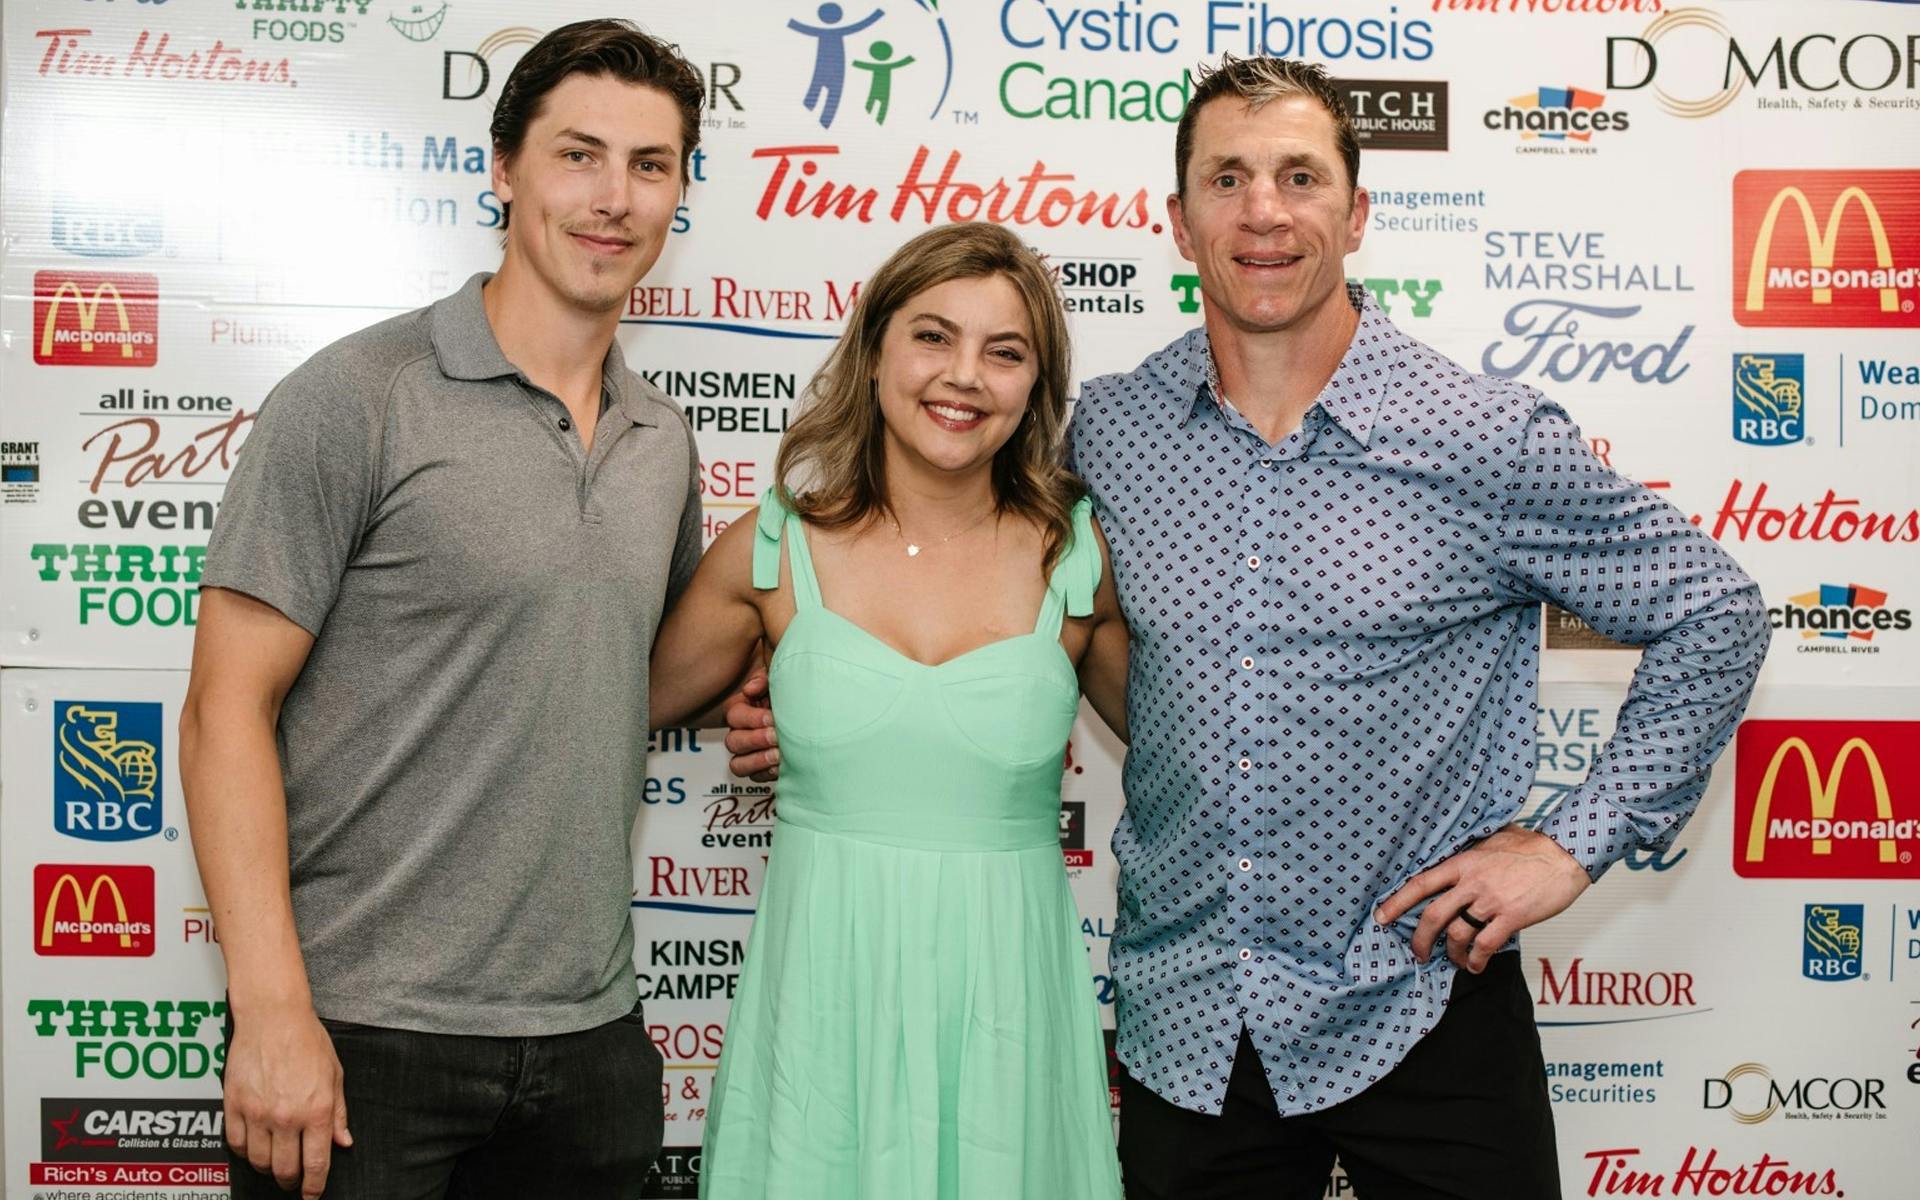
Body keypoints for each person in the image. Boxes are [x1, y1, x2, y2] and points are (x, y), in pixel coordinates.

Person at [729, 56, 1769, 1198]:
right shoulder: (1109, 438)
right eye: (1227, 179)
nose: (1263, 211)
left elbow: (1712, 609)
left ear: (1357, 212)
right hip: (1192, 1024)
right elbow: (974, 568)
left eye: (1299, 177)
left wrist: (1569, 843)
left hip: (1420, 1000)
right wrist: (830, 702)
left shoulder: (1482, 436)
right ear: (1180, 223)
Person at [180, 20, 707, 1199]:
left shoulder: (662, 438)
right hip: (361, 1037)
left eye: (650, 164)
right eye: (578, 155)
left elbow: (627, 671)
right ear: (504, 167)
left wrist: (775, 690)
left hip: (594, 1045)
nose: (612, 197)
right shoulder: (358, 398)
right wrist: (270, 1015)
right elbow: (224, 712)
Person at [650, 221, 1129, 1199]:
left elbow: (1195, 747)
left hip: (1005, 1012)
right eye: (932, 336)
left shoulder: (1077, 557)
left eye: (1006, 352)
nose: (965, 376)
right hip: (827, 1005)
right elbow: (612, 706)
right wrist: (765, 701)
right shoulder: (772, 546)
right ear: (873, 352)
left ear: (1036, 385)